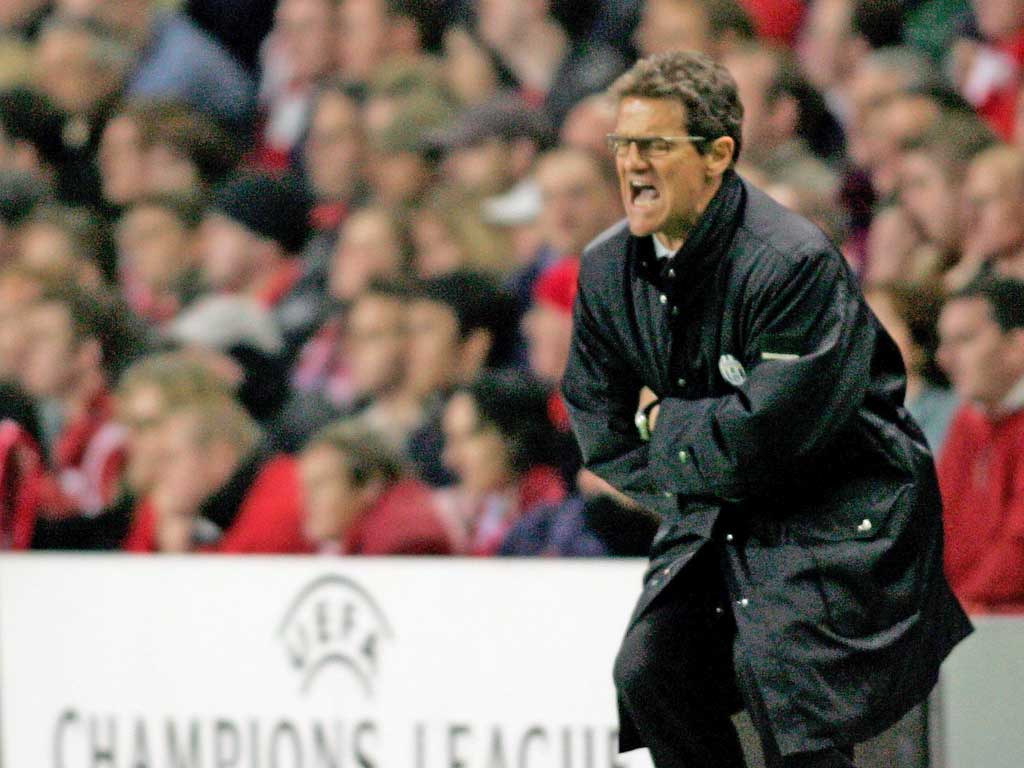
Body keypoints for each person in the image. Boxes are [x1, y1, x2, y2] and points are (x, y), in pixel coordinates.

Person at [561, 51, 970, 768]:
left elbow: (772, 433)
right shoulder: (605, 269)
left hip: (844, 518)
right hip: (720, 515)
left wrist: (665, 423)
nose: (632, 166)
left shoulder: (790, 262)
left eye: (656, 146)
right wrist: (693, 481)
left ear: (719, 154)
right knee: (650, 671)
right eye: (622, 145)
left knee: (788, 689)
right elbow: (598, 422)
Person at [936, 277, 1024, 612]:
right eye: (943, 343)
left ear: (1017, 345)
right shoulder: (967, 419)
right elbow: (937, 524)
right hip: (970, 614)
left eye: (964, 339)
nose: (945, 358)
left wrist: (955, 609)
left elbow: (1019, 546)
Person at [299, 420, 453, 555]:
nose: (306, 499)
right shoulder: (364, 537)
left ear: (369, 485)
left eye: (320, 485)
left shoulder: (404, 544)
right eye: (306, 487)